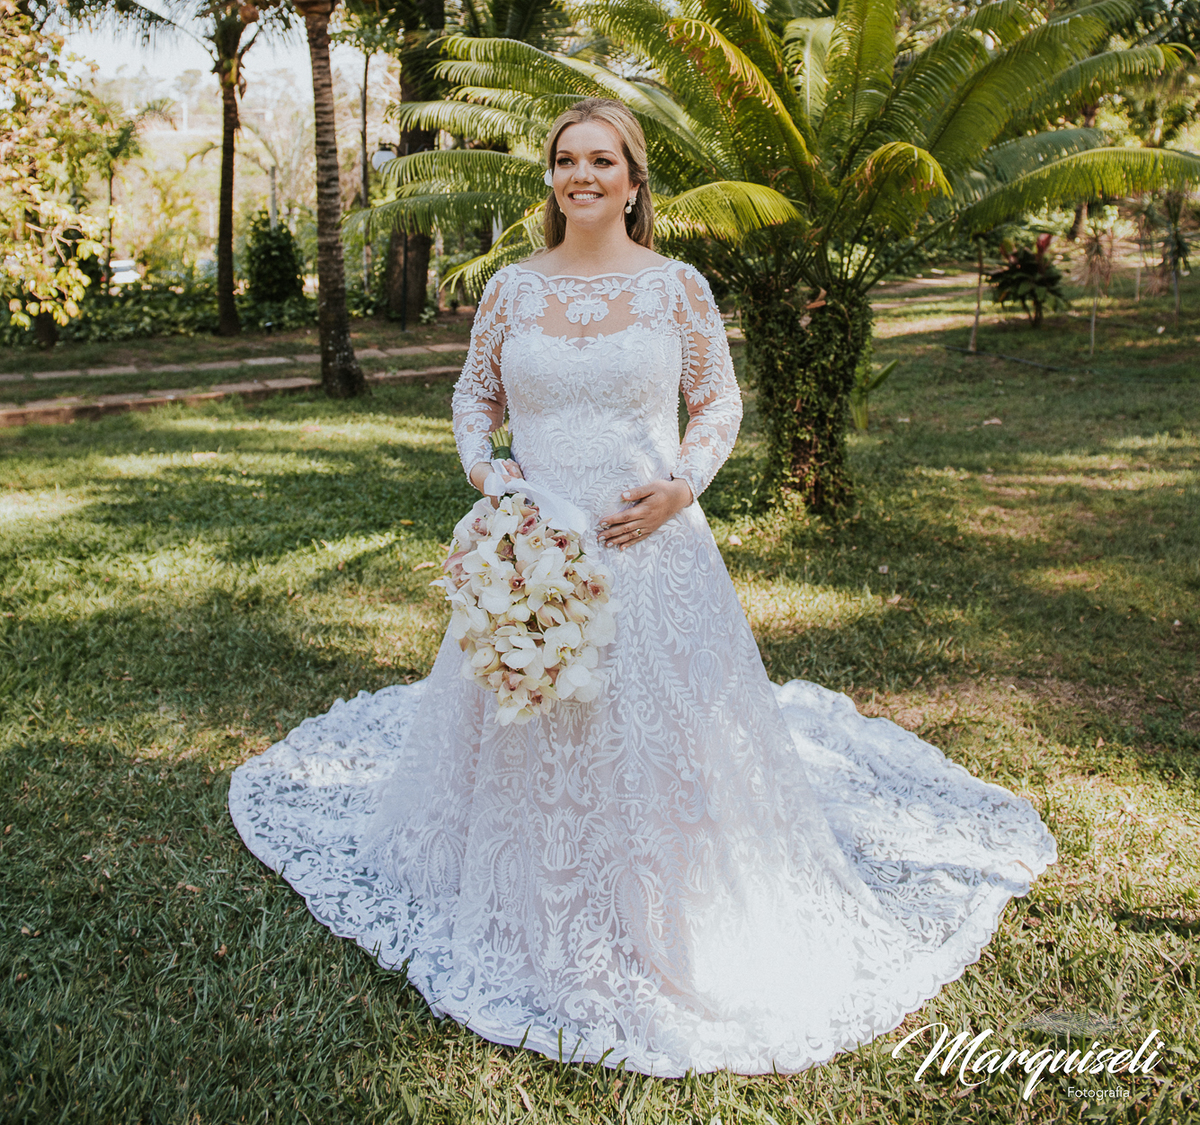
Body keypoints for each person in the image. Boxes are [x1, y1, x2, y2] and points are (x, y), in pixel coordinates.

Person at [229, 96, 1055, 1078]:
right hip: (534, 551)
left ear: (634, 178)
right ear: (550, 178)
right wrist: (491, 478)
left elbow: (718, 398)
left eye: (603, 159)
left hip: (652, 551)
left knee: (662, 736)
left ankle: (669, 900)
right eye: (567, 159)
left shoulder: (676, 289)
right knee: (525, 723)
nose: (584, 174)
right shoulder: (511, 291)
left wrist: (682, 486)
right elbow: (472, 396)